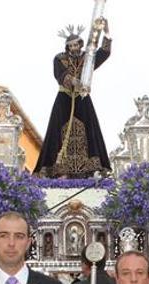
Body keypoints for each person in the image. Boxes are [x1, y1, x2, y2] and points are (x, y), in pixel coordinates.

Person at [36, 23, 112, 178]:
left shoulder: (88, 58)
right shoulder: (59, 59)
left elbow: (103, 53)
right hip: (64, 98)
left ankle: (92, 168)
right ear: (67, 47)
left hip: (82, 99)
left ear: (80, 44)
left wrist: (107, 34)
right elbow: (60, 74)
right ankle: (57, 169)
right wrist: (73, 81)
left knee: (90, 129)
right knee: (57, 131)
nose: (74, 48)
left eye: (76, 44)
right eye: (70, 46)